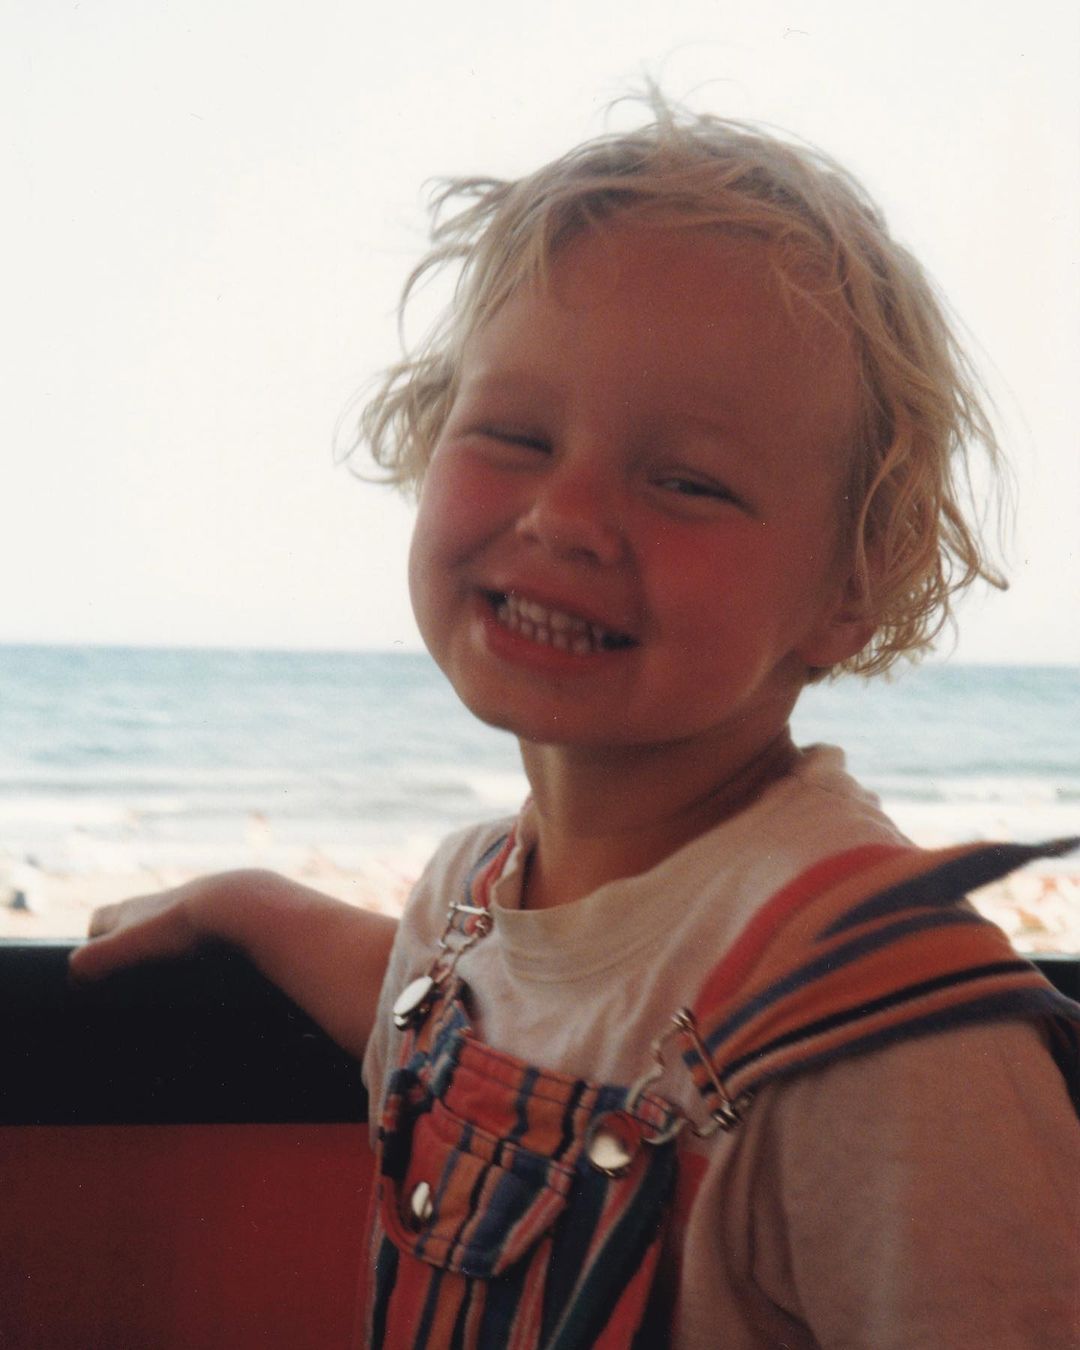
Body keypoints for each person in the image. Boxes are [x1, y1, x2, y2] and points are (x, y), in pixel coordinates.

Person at [70, 96, 1079, 1347]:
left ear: (855, 581)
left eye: (687, 481)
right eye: (514, 434)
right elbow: (488, 1002)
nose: (565, 515)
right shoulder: (471, 899)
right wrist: (252, 904)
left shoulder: (882, 1035)